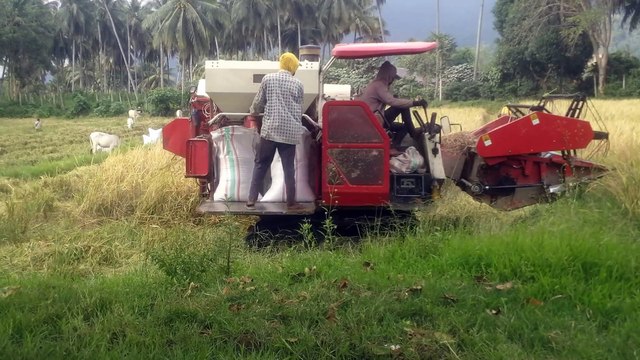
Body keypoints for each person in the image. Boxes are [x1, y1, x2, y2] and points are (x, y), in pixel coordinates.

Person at [246, 52, 304, 209]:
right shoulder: (298, 84)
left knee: (261, 164)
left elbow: (258, 103)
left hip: (270, 131)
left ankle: (251, 199)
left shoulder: (268, 79)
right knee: (288, 168)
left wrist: (253, 112)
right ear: (293, 66)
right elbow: (299, 109)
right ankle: (291, 202)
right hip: (290, 133)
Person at [357, 61, 428, 146]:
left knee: (404, 127)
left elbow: (388, 98)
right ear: (389, 76)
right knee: (402, 107)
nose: (393, 80)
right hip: (374, 121)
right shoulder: (379, 85)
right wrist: (416, 103)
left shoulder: (375, 84)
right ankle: (411, 135)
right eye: (393, 77)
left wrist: (396, 98)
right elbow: (392, 101)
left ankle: (401, 140)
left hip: (373, 118)